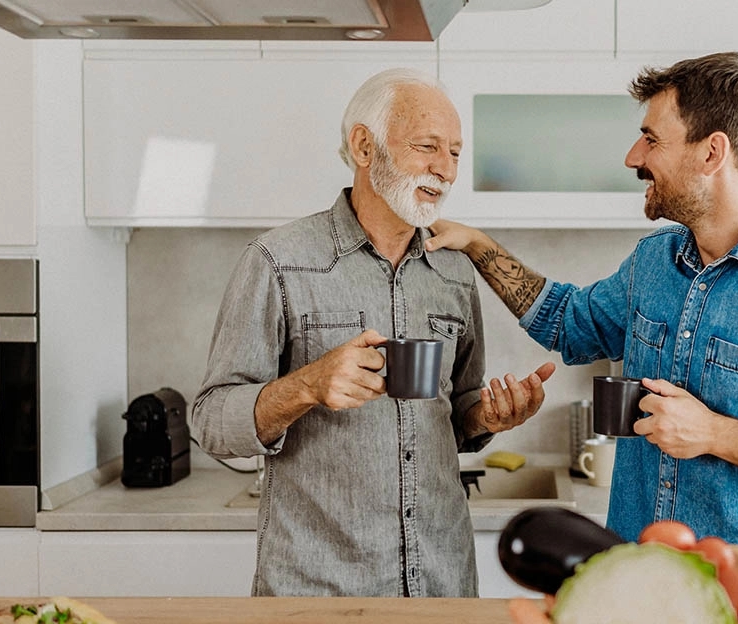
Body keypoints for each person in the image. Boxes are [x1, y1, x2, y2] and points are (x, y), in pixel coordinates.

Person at [426, 51, 738, 595]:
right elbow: (568, 322)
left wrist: (714, 433)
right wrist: (478, 245)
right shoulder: (654, 262)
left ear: (712, 152)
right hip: (641, 591)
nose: (634, 156)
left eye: (652, 139)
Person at [192, 67, 556, 598]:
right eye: (427, 146)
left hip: (440, 585)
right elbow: (211, 421)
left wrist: (489, 416)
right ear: (364, 146)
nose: (445, 170)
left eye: (455, 152)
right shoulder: (277, 262)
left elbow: (455, 413)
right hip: (318, 592)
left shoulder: (453, 269)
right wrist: (309, 385)